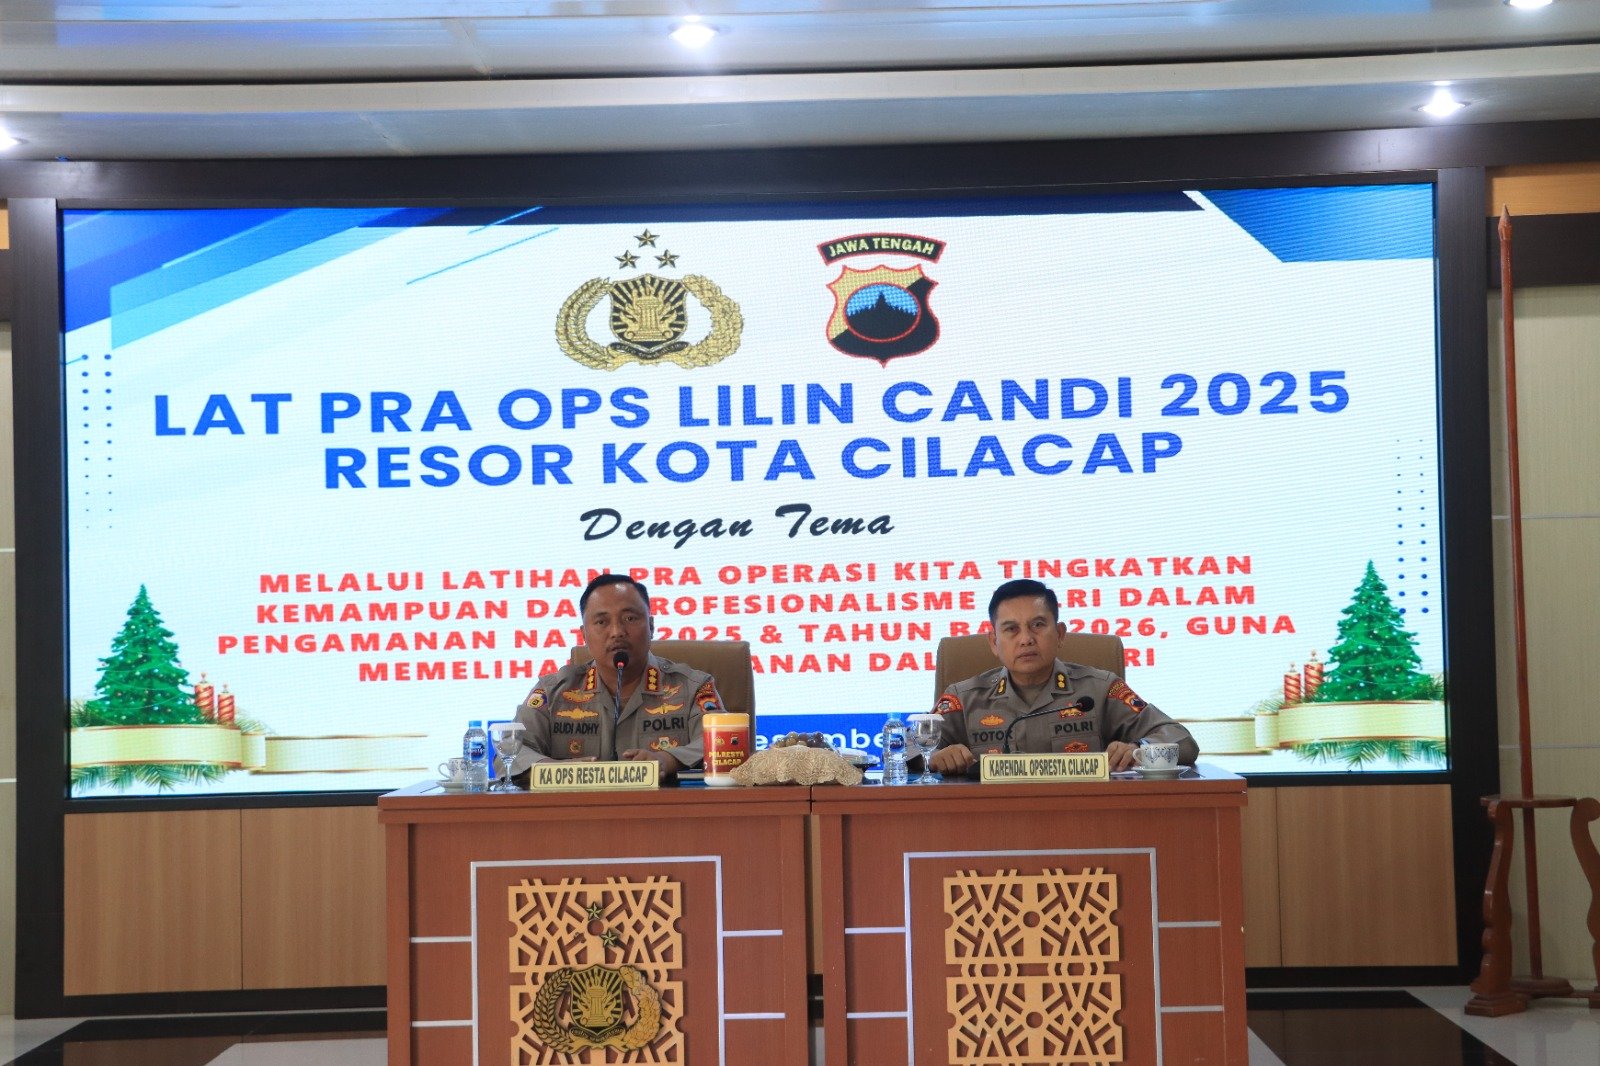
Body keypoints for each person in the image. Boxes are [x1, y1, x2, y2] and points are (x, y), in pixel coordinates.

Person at [927, 578, 1198, 775]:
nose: (1026, 639)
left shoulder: (1100, 689)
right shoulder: (964, 698)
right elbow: (909, 751)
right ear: (994, 642)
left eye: (1038, 625)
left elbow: (1181, 740)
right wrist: (933, 758)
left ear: (1059, 634)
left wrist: (1139, 749)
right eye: (1011, 629)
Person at [509, 573, 725, 780]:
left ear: (651, 626)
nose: (617, 632)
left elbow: (722, 742)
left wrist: (667, 760)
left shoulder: (693, 687)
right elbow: (510, 752)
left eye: (630, 618)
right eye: (602, 622)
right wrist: (557, 772)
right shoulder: (553, 692)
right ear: (584, 634)